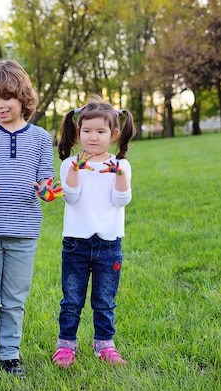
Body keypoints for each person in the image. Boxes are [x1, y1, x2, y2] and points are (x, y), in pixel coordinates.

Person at [0, 60, 60, 380]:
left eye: (5, 97)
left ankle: (9, 354)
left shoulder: (42, 138)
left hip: (23, 231)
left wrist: (47, 192)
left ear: (23, 98)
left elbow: (47, 179)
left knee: (14, 299)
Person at [51, 95, 135, 368]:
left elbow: (121, 200)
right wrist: (75, 170)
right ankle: (66, 345)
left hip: (109, 243)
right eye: (87, 131)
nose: (93, 137)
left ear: (113, 134)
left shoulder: (120, 166)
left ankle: (104, 344)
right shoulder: (68, 165)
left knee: (104, 300)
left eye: (100, 132)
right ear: (78, 133)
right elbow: (71, 197)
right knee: (72, 299)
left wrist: (119, 176)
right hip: (76, 243)